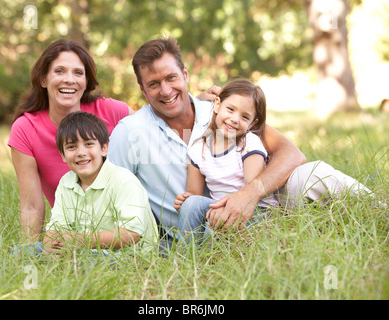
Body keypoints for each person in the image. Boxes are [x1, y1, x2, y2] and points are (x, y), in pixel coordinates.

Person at [108, 36, 373, 249]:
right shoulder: (130, 132)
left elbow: (291, 154)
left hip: (262, 207)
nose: (165, 91)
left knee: (316, 174)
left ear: (185, 75)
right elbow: (109, 194)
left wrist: (249, 194)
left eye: (171, 78)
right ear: (142, 90)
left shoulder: (219, 109)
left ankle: (386, 214)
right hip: (203, 233)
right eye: (153, 84)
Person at [8, 39, 132, 245]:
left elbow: (154, 126)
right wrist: (29, 255)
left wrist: (193, 103)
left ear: (86, 81)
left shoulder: (111, 111)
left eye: (78, 73)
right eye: (59, 71)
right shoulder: (25, 129)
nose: (69, 80)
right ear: (43, 79)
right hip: (74, 232)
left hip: (124, 228)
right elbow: (31, 206)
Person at [42, 111, 158, 260]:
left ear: (104, 148)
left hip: (128, 255)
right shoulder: (66, 183)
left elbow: (131, 234)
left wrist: (82, 241)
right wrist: (50, 245)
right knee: (25, 250)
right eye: (72, 147)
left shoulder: (123, 180)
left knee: (87, 260)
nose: (81, 152)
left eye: (89, 144)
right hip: (82, 248)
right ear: (63, 155)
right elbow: (56, 228)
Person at [174, 79, 278, 244]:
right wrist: (185, 200)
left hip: (256, 213)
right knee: (193, 205)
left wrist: (224, 211)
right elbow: (195, 194)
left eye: (245, 117)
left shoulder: (248, 143)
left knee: (214, 226)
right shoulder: (199, 149)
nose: (235, 119)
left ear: (253, 123)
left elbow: (251, 191)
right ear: (217, 105)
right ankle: (184, 257)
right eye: (230, 109)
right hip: (218, 211)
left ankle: (212, 261)